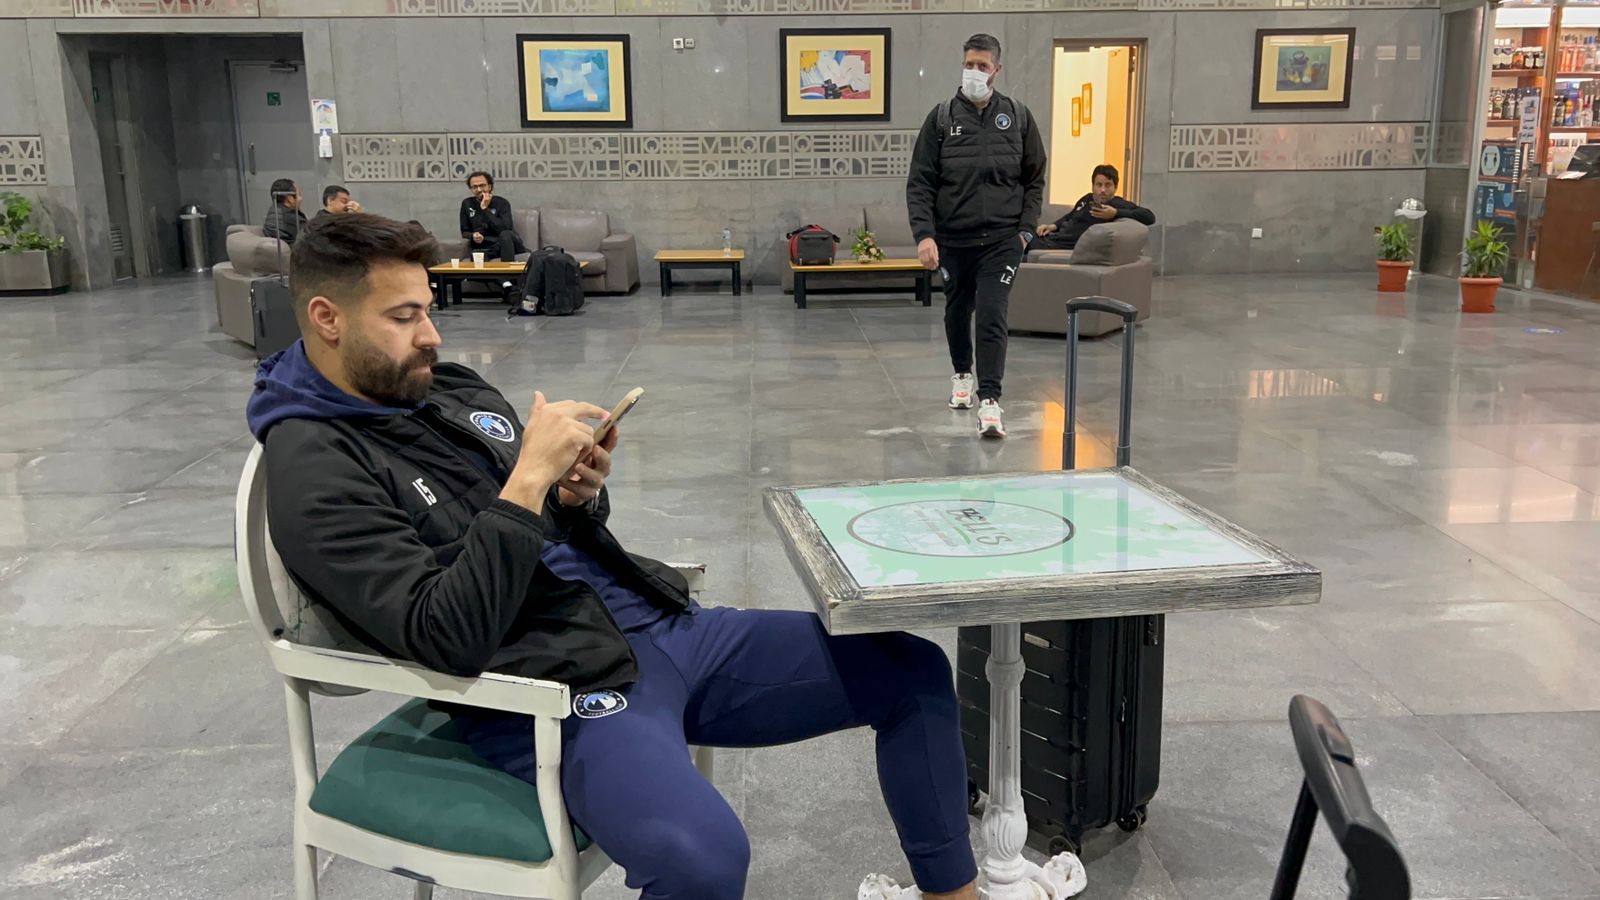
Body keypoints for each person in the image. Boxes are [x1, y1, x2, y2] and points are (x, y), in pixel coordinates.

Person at [247, 213, 980, 900]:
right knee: (700, 857)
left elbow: (548, 522)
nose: (432, 336)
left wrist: (573, 494)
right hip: (557, 686)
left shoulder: (447, 389)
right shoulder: (315, 466)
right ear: (328, 318)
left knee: (911, 671)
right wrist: (527, 480)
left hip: (654, 625)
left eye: (429, 309)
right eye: (405, 317)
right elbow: (444, 636)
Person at [1035, 164, 1155, 251]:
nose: (1103, 190)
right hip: (1051, 238)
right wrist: (1052, 226)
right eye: (1099, 185)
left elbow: (1149, 217)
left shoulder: (1118, 203)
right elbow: (1070, 216)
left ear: (1115, 187)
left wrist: (1116, 213)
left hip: (1061, 246)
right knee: (1025, 235)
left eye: (1108, 185)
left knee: (1023, 246)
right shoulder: (1087, 198)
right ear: (1093, 186)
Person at [459, 170, 526, 263]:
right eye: (474, 187)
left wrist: (485, 209)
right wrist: (473, 236)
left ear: (489, 186)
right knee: (476, 254)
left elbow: (505, 229)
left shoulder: (502, 203)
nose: (479, 189)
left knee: (505, 235)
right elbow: (464, 231)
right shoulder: (467, 204)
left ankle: (506, 271)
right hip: (486, 245)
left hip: (507, 242)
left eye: (482, 185)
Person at [261, 178, 309, 245]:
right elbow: (312, 238)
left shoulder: (272, 213)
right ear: (290, 198)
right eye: (299, 194)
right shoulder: (292, 218)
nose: (301, 199)